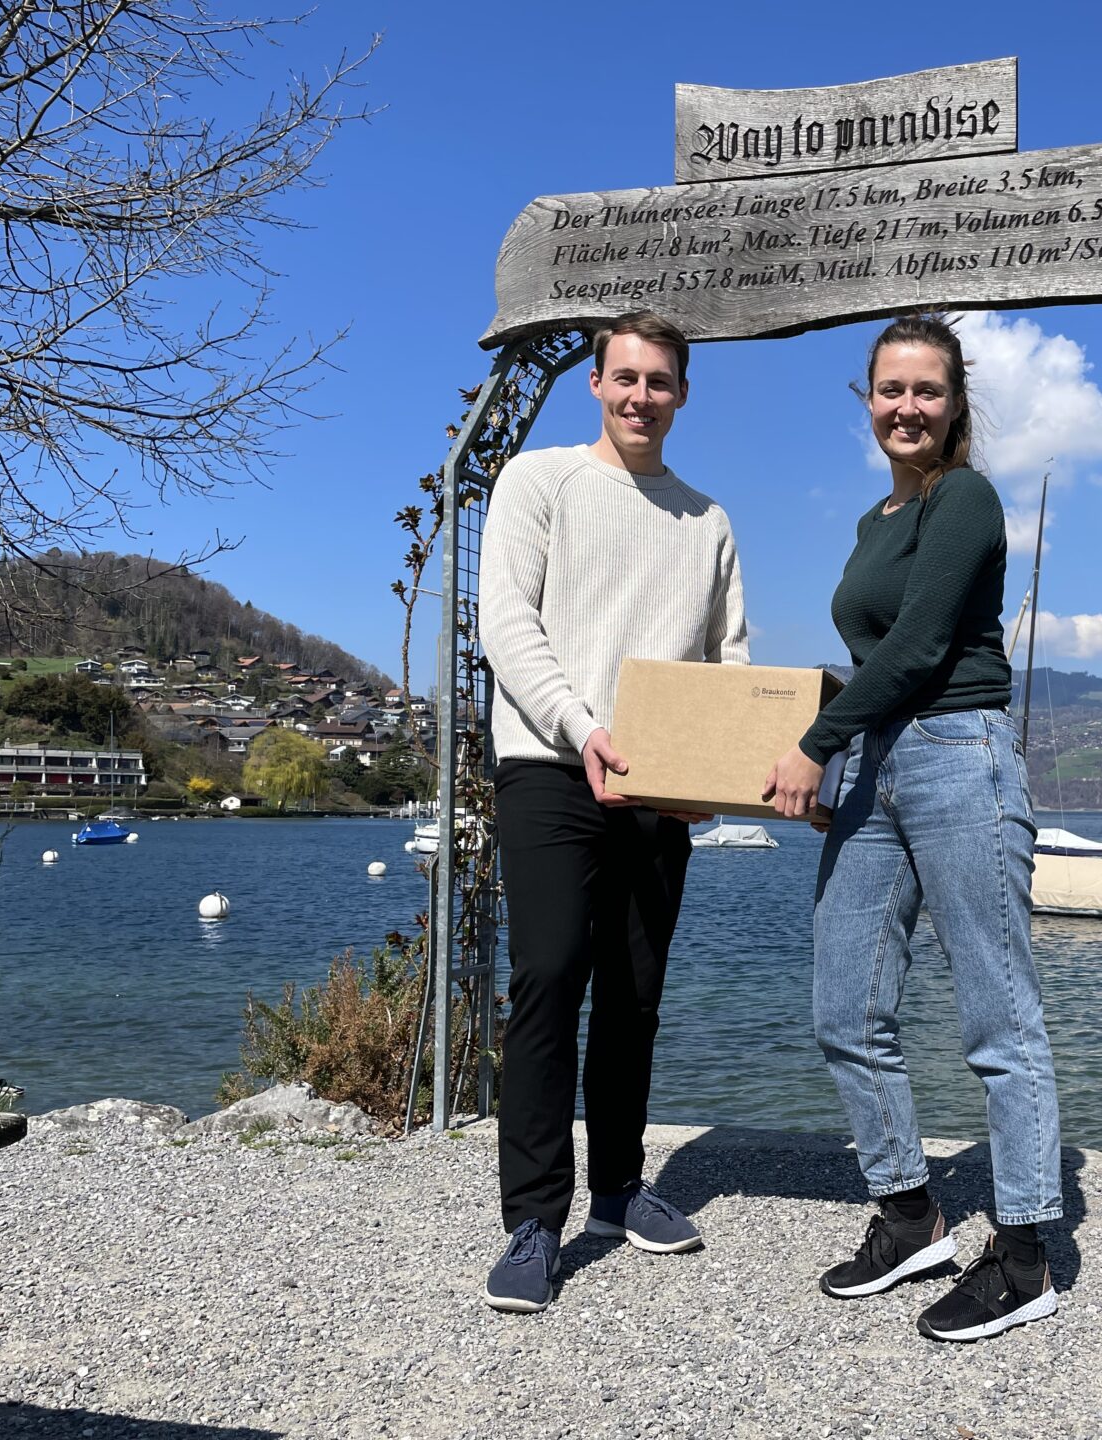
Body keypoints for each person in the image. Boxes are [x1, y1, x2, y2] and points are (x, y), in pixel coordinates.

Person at [764, 314, 1063, 1343]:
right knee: (844, 1004)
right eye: (890, 390)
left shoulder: (967, 497)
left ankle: (1025, 1255)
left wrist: (811, 744)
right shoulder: (869, 522)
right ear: (868, 400)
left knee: (998, 1019)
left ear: (954, 403)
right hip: (873, 762)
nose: (906, 408)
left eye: (926, 391)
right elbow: (872, 665)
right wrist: (823, 753)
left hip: (957, 758)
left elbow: (928, 643)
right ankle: (909, 1215)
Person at [478, 311, 747, 1313]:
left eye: (660, 381)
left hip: (656, 784)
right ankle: (532, 1221)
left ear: (682, 394)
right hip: (551, 764)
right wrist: (583, 726)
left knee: (634, 993)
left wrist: (721, 771)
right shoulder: (539, 482)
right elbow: (506, 622)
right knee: (549, 977)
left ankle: (620, 1192)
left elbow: (730, 659)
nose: (641, 395)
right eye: (625, 377)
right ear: (594, 382)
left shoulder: (707, 521)